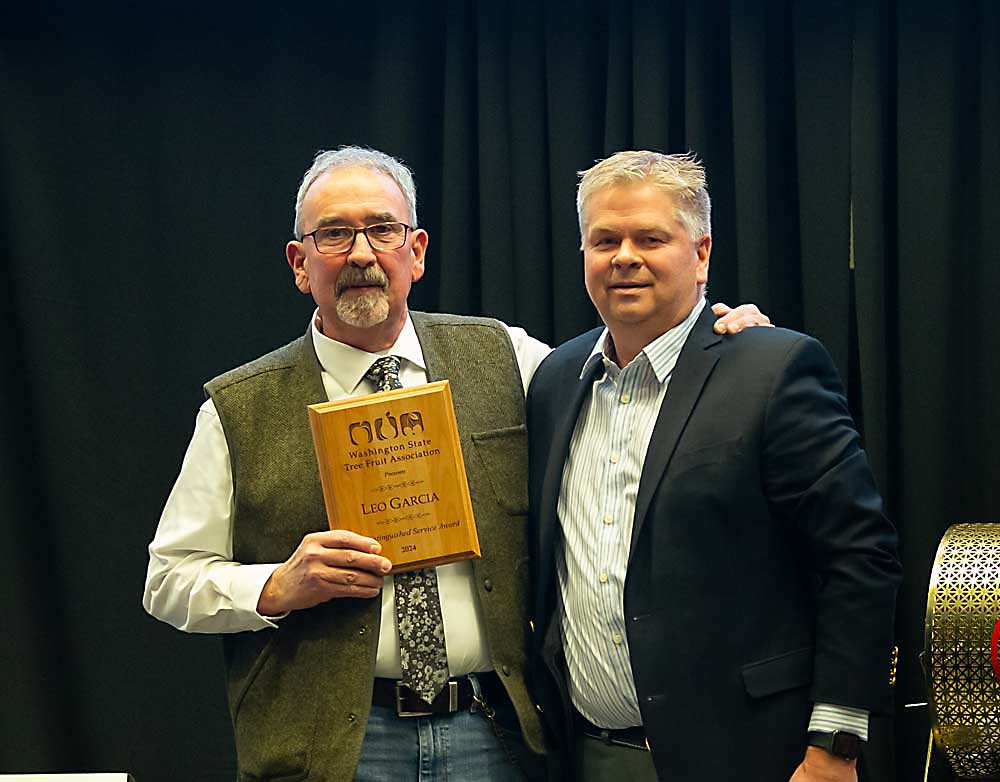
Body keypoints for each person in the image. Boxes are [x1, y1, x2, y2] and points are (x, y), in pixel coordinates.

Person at [143, 146, 769, 782]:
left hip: (493, 735)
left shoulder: (510, 358)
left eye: (382, 229)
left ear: (415, 251)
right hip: (331, 751)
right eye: (333, 234)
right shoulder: (238, 407)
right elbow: (168, 581)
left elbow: (629, 387)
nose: (361, 254)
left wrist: (713, 342)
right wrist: (276, 586)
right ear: (300, 264)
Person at [525, 151, 902, 782]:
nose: (624, 256)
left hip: (756, 757)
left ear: (700, 254)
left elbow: (860, 558)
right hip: (587, 755)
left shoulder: (772, 369)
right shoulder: (555, 382)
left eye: (651, 238)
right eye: (604, 240)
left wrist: (835, 745)